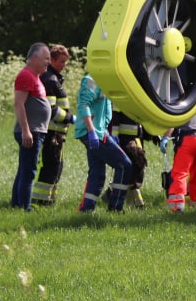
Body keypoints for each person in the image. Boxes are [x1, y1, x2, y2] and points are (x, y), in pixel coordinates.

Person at [73, 72, 132, 213]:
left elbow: (104, 109)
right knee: (125, 166)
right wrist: (91, 131)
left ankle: (86, 209)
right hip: (94, 133)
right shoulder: (91, 79)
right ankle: (115, 207)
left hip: (100, 131)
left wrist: (108, 131)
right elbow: (84, 104)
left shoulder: (104, 79)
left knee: (97, 173)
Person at [12, 43, 51, 211]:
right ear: (35, 58)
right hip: (31, 132)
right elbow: (18, 104)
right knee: (29, 171)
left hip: (36, 131)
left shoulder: (35, 76)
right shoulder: (26, 76)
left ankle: (17, 204)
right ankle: (24, 206)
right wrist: (26, 131)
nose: (48, 62)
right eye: (46, 58)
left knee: (24, 169)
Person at [32, 43, 72, 206]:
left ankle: (48, 200)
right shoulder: (50, 80)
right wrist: (69, 118)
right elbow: (51, 109)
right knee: (51, 166)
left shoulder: (54, 78)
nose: (64, 65)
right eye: (61, 62)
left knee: (57, 166)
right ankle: (41, 201)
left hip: (57, 132)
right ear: (52, 61)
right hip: (51, 132)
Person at [162, 107, 196, 212]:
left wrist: (165, 137)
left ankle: (176, 207)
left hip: (190, 139)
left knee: (180, 174)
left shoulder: (181, 102)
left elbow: (173, 120)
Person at [105, 108, 147, 208]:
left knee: (138, 169)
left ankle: (134, 202)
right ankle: (113, 196)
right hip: (124, 140)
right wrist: (114, 140)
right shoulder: (120, 100)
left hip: (135, 139)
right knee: (129, 171)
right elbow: (114, 120)